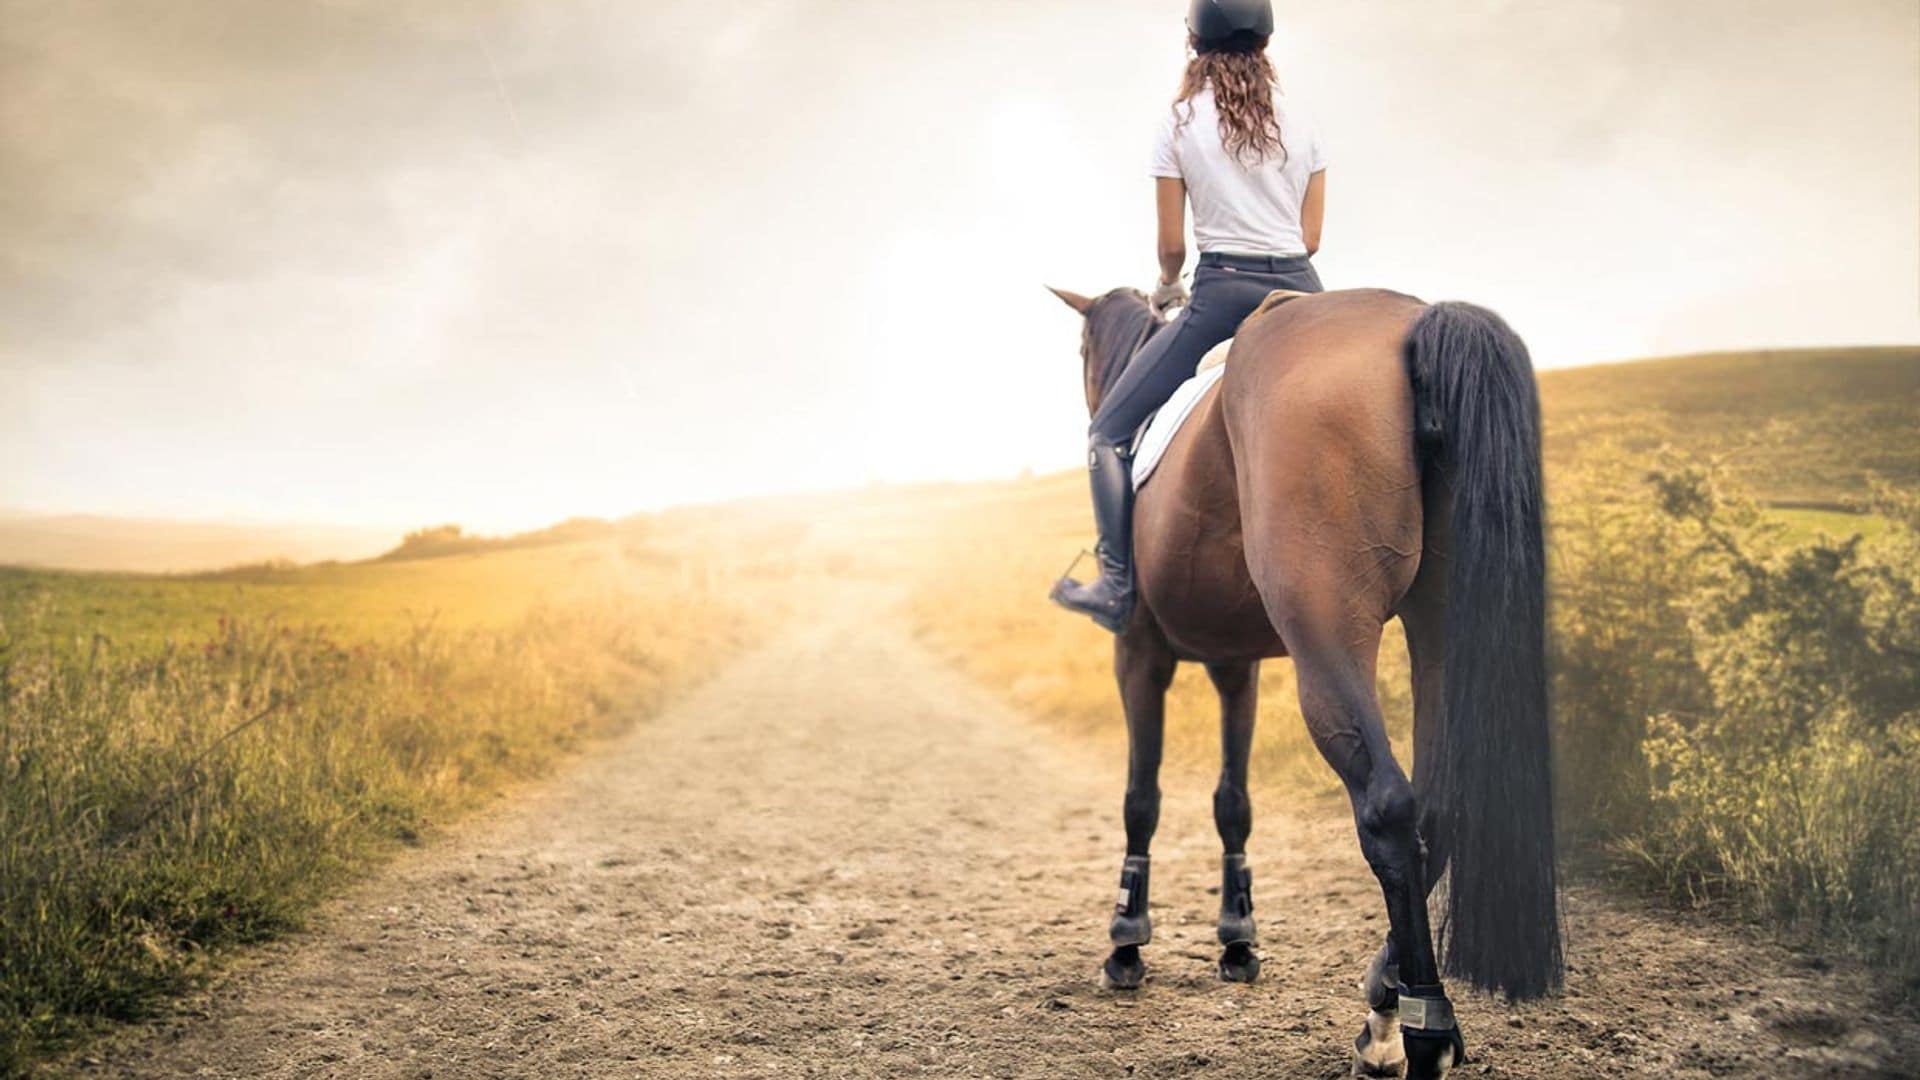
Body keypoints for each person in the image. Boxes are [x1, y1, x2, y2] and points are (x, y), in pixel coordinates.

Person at [1050, 0, 1327, 632]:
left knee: (1108, 434)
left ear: (1193, 46)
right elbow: (1310, 238)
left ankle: (1116, 588)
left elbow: (1172, 248)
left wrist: (1166, 287)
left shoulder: (1178, 123)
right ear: (1265, 44)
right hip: (1302, 292)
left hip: (1223, 292)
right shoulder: (1302, 122)